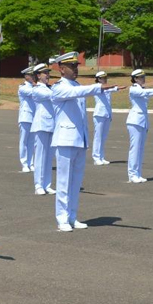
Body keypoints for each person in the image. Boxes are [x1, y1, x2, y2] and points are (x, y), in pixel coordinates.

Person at [50, 52, 118, 231]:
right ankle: (62, 218)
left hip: (79, 139)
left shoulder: (77, 85)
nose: (75, 69)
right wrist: (98, 87)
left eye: (76, 66)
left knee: (75, 182)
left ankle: (72, 216)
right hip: (65, 140)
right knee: (64, 182)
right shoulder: (59, 87)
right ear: (61, 69)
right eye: (71, 66)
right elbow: (76, 93)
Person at [126, 69, 153, 183]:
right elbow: (147, 93)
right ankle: (132, 174)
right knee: (135, 148)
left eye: (144, 77)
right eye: (141, 77)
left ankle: (137, 173)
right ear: (135, 79)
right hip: (135, 121)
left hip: (142, 121)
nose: (143, 79)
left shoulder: (142, 89)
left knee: (140, 148)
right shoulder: (134, 89)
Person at [27, 63, 56, 195]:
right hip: (41, 125)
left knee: (49, 157)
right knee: (40, 156)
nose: (47, 75)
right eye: (45, 73)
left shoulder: (49, 88)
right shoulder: (38, 89)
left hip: (51, 124)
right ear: (38, 75)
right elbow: (52, 95)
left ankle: (47, 184)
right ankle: (38, 185)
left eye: (48, 73)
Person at [91, 71, 113, 165]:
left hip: (107, 114)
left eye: (105, 78)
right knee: (98, 137)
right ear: (98, 79)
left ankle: (101, 156)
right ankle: (96, 157)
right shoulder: (96, 87)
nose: (105, 79)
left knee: (103, 137)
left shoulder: (107, 87)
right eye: (103, 78)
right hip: (99, 114)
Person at [16, 66, 36, 172]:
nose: (34, 77)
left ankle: (31, 163)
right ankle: (24, 163)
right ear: (26, 76)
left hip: (34, 117)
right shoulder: (23, 87)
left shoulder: (34, 87)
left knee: (31, 142)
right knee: (24, 141)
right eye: (31, 75)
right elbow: (33, 92)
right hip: (25, 117)